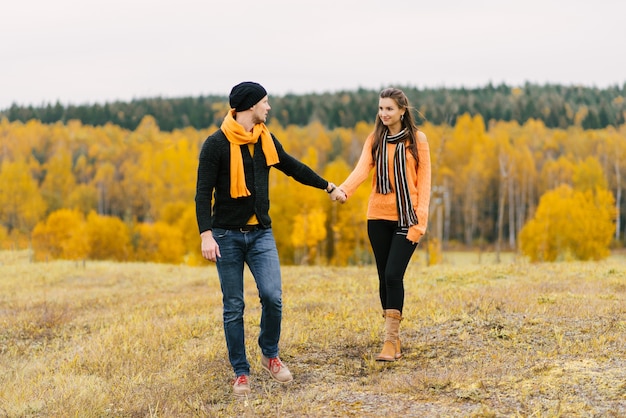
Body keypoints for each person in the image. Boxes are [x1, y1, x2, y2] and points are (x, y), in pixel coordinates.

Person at [195, 81, 346, 397]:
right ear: (249, 106)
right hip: (226, 236)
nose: (269, 107)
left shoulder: (265, 139)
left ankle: (270, 354)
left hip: (260, 233)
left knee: (272, 296)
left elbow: (292, 167)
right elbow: (202, 193)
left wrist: (328, 186)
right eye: (265, 102)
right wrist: (206, 234)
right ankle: (241, 372)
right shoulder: (216, 145)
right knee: (234, 306)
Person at [337, 87, 431, 362]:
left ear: (402, 110)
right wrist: (344, 190)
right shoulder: (376, 139)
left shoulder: (417, 140)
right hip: (377, 217)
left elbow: (424, 182)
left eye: (389, 109)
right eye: (380, 109)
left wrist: (420, 222)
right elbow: (362, 169)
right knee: (383, 277)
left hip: (407, 217)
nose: (384, 114)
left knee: (393, 275)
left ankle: (390, 342)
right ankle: (393, 339)